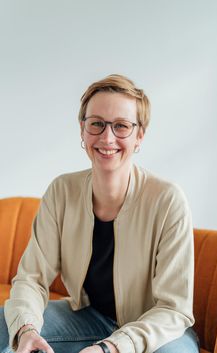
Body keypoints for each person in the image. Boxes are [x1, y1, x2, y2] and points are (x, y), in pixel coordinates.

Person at [0, 74, 200, 353]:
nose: (107, 137)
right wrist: (26, 330)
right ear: (83, 130)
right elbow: (31, 279)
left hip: (157, 331)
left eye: (121, 126)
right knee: (6, 323)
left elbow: (174, 309)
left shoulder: (167, 199)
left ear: (139, 135)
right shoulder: (62, 191)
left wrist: (111, 348)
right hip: (91, 318)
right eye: (97, 124)